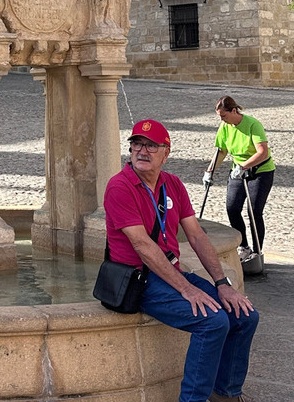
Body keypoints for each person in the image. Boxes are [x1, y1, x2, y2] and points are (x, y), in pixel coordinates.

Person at [105, 119, 258, 402]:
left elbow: (197, 236)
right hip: (140, 280)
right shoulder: (120, 186)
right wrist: (187, 289)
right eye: (137, 143)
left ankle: (225, 394)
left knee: (244, 316)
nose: (142, 151)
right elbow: (142, 245)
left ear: (166, 153)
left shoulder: (172, 184)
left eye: (152, 146)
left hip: (169, 275)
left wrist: (222, 283)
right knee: (212, 322)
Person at [203, 96, 276, 260]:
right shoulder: (225, 127)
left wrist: (244, 166)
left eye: (224, 116)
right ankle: (244, 246)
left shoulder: (252, 124)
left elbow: (262, 152)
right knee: (232, 208)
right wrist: (210, 171)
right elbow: (221, 151)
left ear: (234, 111)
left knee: (254, 212)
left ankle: (257, 252)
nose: (222, 119)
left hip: (260, 171)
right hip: (238, 170)